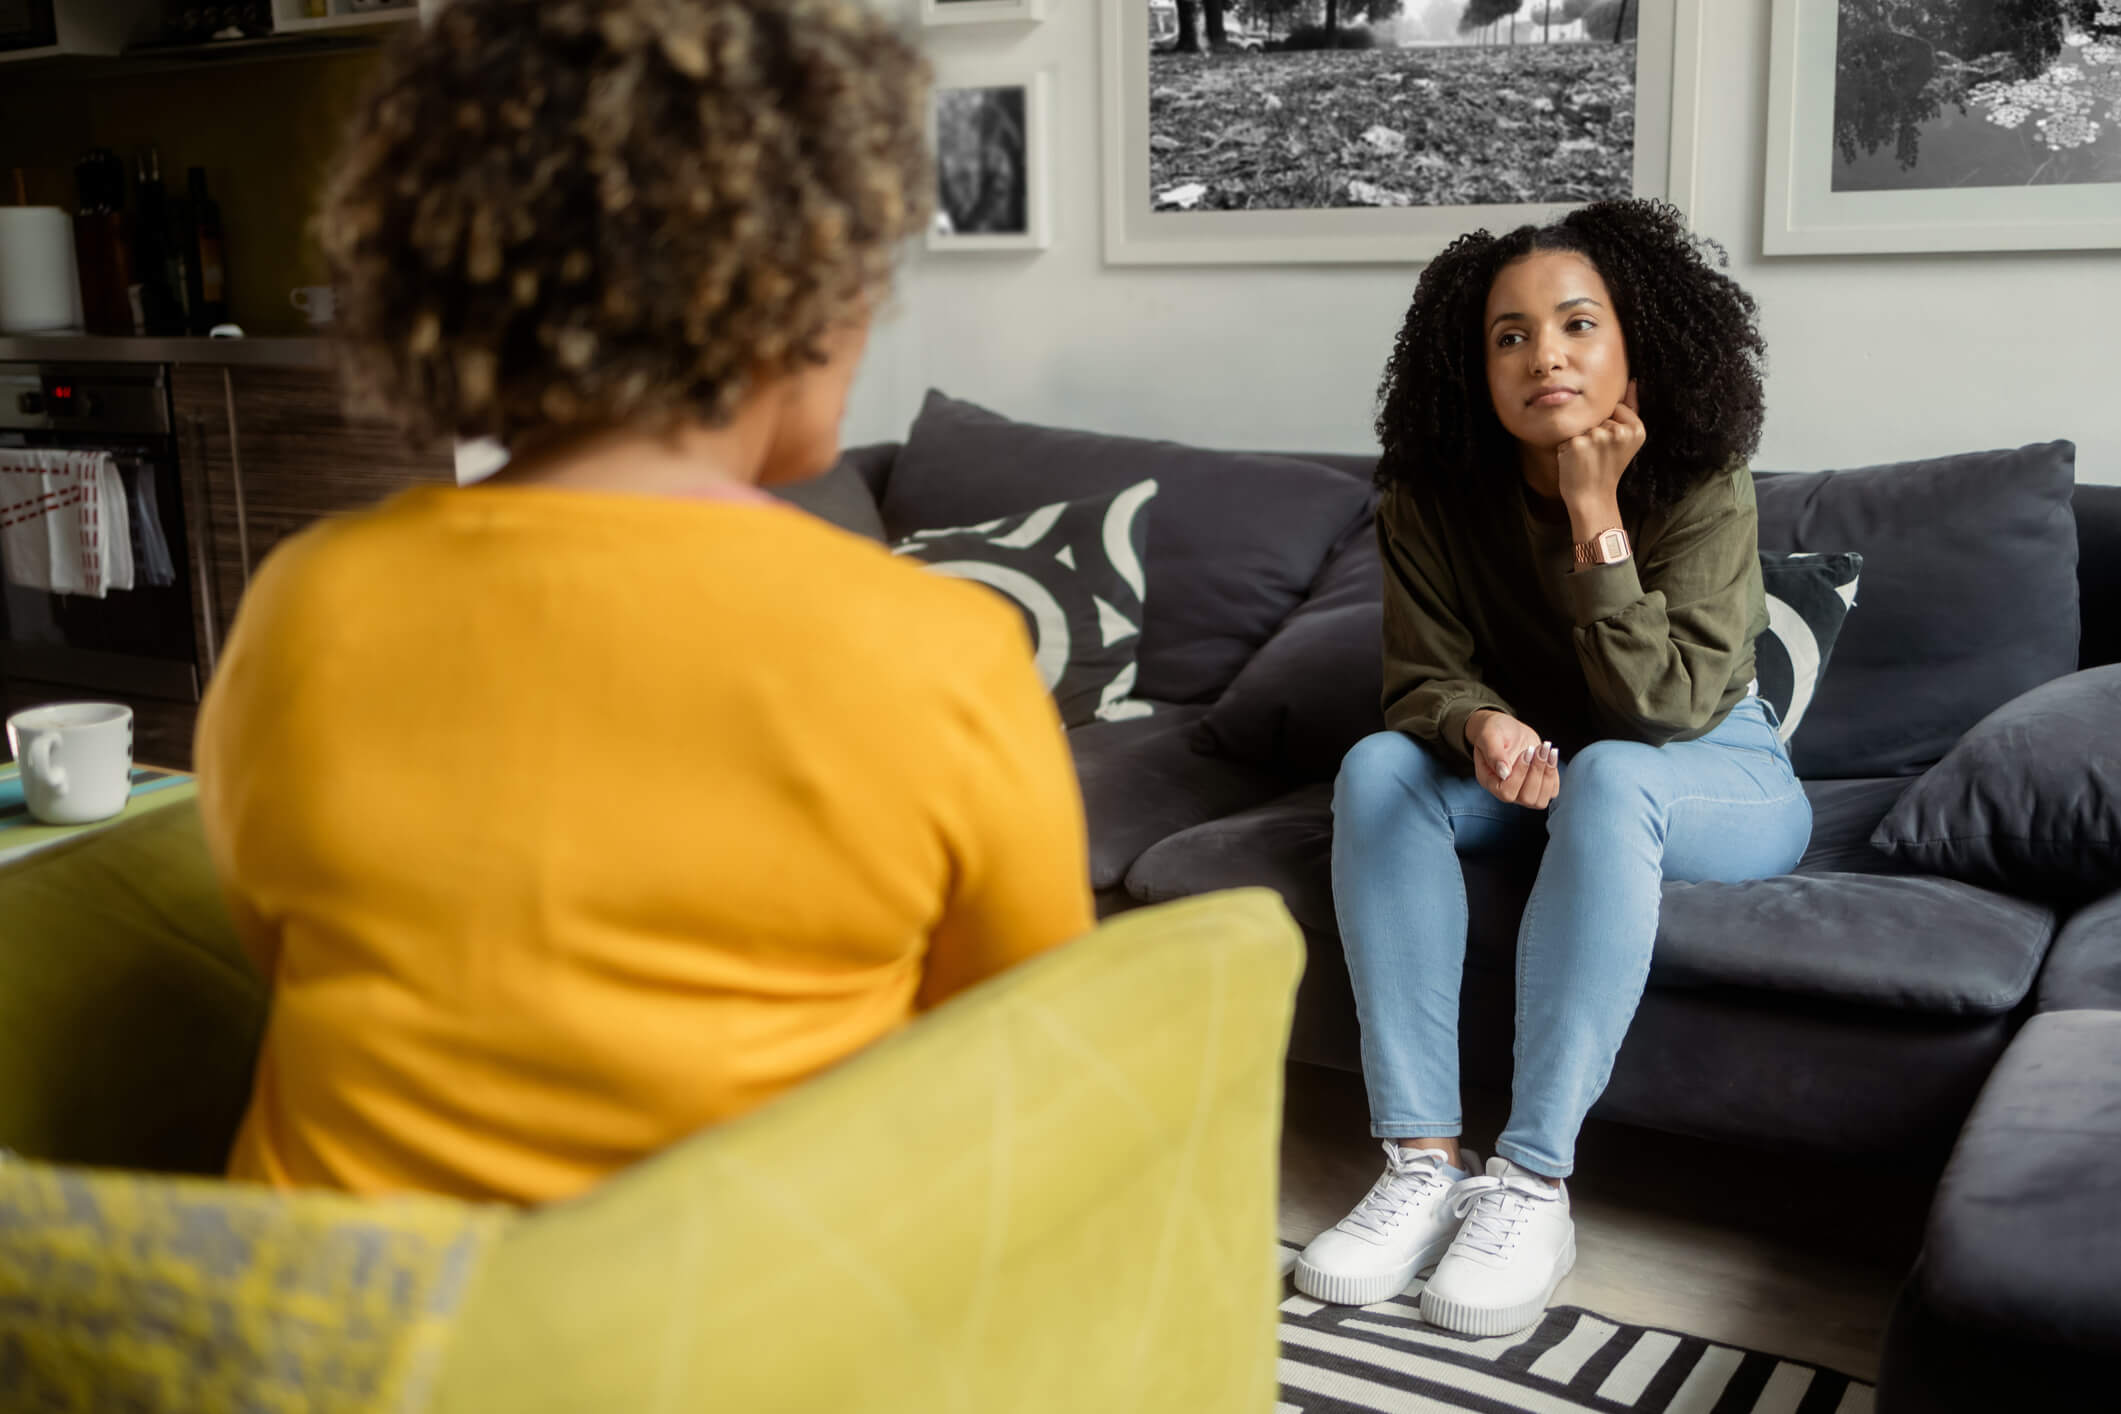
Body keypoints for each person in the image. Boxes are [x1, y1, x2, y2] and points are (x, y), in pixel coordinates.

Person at [195, 0, 1093, 1205]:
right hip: (734, 1340)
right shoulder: (943, 651)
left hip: (340, 1348)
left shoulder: (307, 600)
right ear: (802, 292)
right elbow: (1032, 1049)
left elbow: (281, 938)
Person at [1294, 199, 1810, 1335]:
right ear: (1472, 367)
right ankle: (1422, 1161)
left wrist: (1592, 507)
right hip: (1534, 769)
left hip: (1708, 769)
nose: (1547, 356)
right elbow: (1421, 675)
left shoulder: (1705, 480)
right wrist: (1476, 725)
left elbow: (1662, 707)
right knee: (1380, 766)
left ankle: (1532, 1180)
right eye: (1510, 336)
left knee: (1620, 774)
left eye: (1578, 324)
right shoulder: (1428, 495)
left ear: (1638, 343)